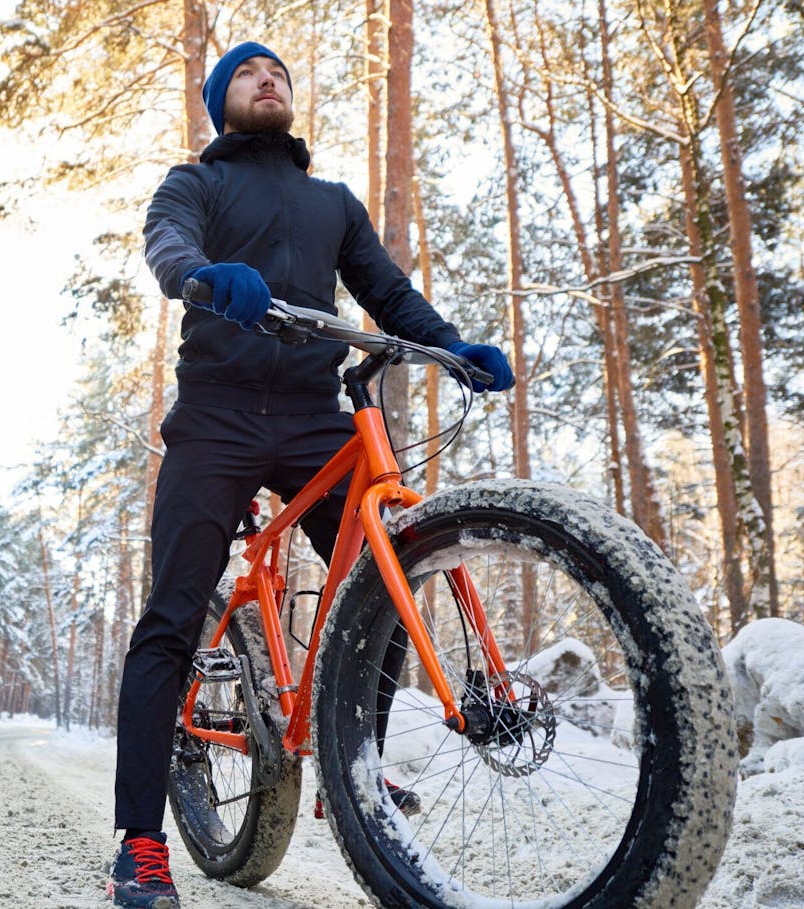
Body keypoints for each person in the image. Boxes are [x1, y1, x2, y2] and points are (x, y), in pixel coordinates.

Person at [107, 41, 514, 909]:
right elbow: (167, 241)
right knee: (170, 618)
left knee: (390, 579)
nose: (270, 80)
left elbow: (386, 290)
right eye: (252, 74)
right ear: (224, 102)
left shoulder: (332, 202)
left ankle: (344, 763)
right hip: (215, 416)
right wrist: (201, 276)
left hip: (309, 417)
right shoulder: (199, 183)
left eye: (281, 74)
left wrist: (449, 345)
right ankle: (139, 841)